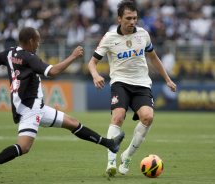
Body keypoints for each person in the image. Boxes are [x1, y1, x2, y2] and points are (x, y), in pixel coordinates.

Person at [0, 27, 125, 183]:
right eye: (37, 40)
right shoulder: (29, 58)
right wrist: (72, 56)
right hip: (30, 108)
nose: (39, 44)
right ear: (31, 41)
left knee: (72, 123)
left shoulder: (10, 53)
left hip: (34, 106)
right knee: (24, 147)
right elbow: (53, 72)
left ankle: (109, 143)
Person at [88, 0, 177, 177]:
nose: (132, 22)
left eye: (135, 18)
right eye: (128, 18)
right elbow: (92, 62)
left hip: (142, 83)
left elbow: (154, 58)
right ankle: (111, 161)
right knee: (118, 116)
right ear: (119, 18)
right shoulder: (109, 37)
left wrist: (167, 79)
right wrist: (96, 75)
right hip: (120, 82)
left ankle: (127, 155)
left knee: (148, 117)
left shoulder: (143, 35)